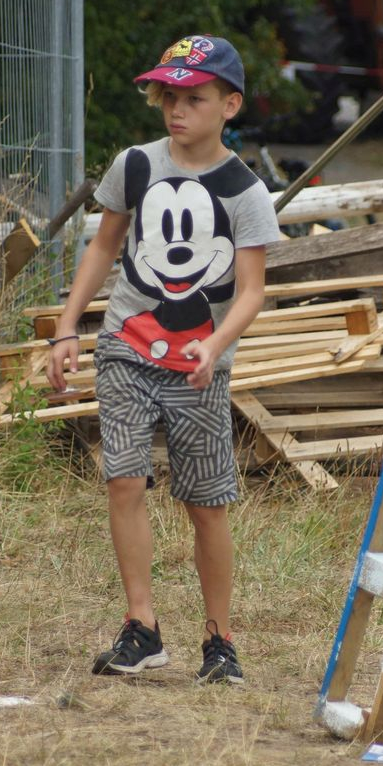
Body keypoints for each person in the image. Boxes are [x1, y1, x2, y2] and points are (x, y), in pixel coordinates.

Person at [46, 34, 281, 684]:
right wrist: (67, 327)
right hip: (125, 346)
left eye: (195, 98)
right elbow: (103, 247)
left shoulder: (245, 191)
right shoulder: (135, 165)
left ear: (229, 105)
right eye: (169, 95)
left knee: (205, 504)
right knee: (123, 479)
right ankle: (142, 627)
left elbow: (252, 291)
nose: (177, 109)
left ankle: (219, 639)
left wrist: (215, 344)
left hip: (200, 364)